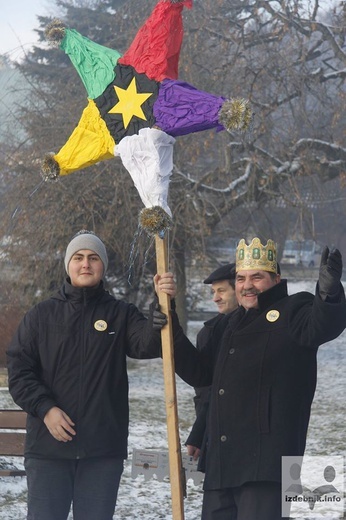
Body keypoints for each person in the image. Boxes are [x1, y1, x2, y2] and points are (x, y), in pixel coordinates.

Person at [164, 237, 346, 520]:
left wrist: (328, 291)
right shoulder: (226, 323)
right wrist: (170, 324)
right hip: (222, 465)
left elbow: (323, 325)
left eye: (257, 277)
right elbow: (200, 373)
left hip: (268, 465)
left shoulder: (295, 309)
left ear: (276, 278)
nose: (247, 285)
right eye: (241, 278)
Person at [6, 230, 175, 520]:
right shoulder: (41, 316)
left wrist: (163, 308)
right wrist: (46, 410)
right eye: (79, 257)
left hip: (102, 451)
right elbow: (19, 372)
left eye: (93, 258)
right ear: (69, 265)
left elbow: (147, 344)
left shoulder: (120, 314)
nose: (86, 264)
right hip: (48, 450)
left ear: (103, 266)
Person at [186, 263, 237, 462]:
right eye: (214, 292)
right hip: (215, 432)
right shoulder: (208, 333)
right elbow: (205, 391)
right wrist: (200, 434)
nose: (215, 298)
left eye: (222, 291)